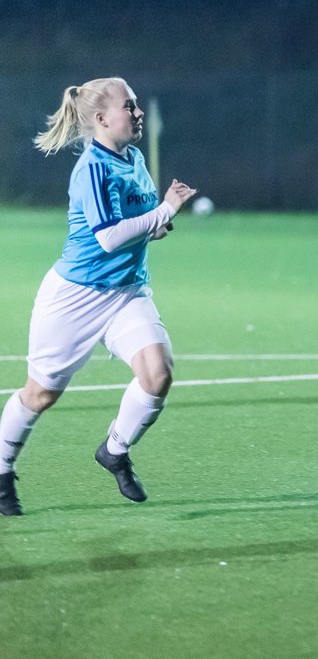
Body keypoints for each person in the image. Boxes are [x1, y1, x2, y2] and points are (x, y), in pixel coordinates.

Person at [0, 78, 197, 516]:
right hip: (75, 298)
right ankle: (1, 470)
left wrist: (156, 224)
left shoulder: (134, 158)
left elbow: (138, 222)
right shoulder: (92, 167)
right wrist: (163, 211)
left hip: (125, 292)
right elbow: (108, 237)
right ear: (102, 118)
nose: (138, 112)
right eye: (129, 106)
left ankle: (114, 450)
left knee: (158, 373)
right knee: (39, 395)